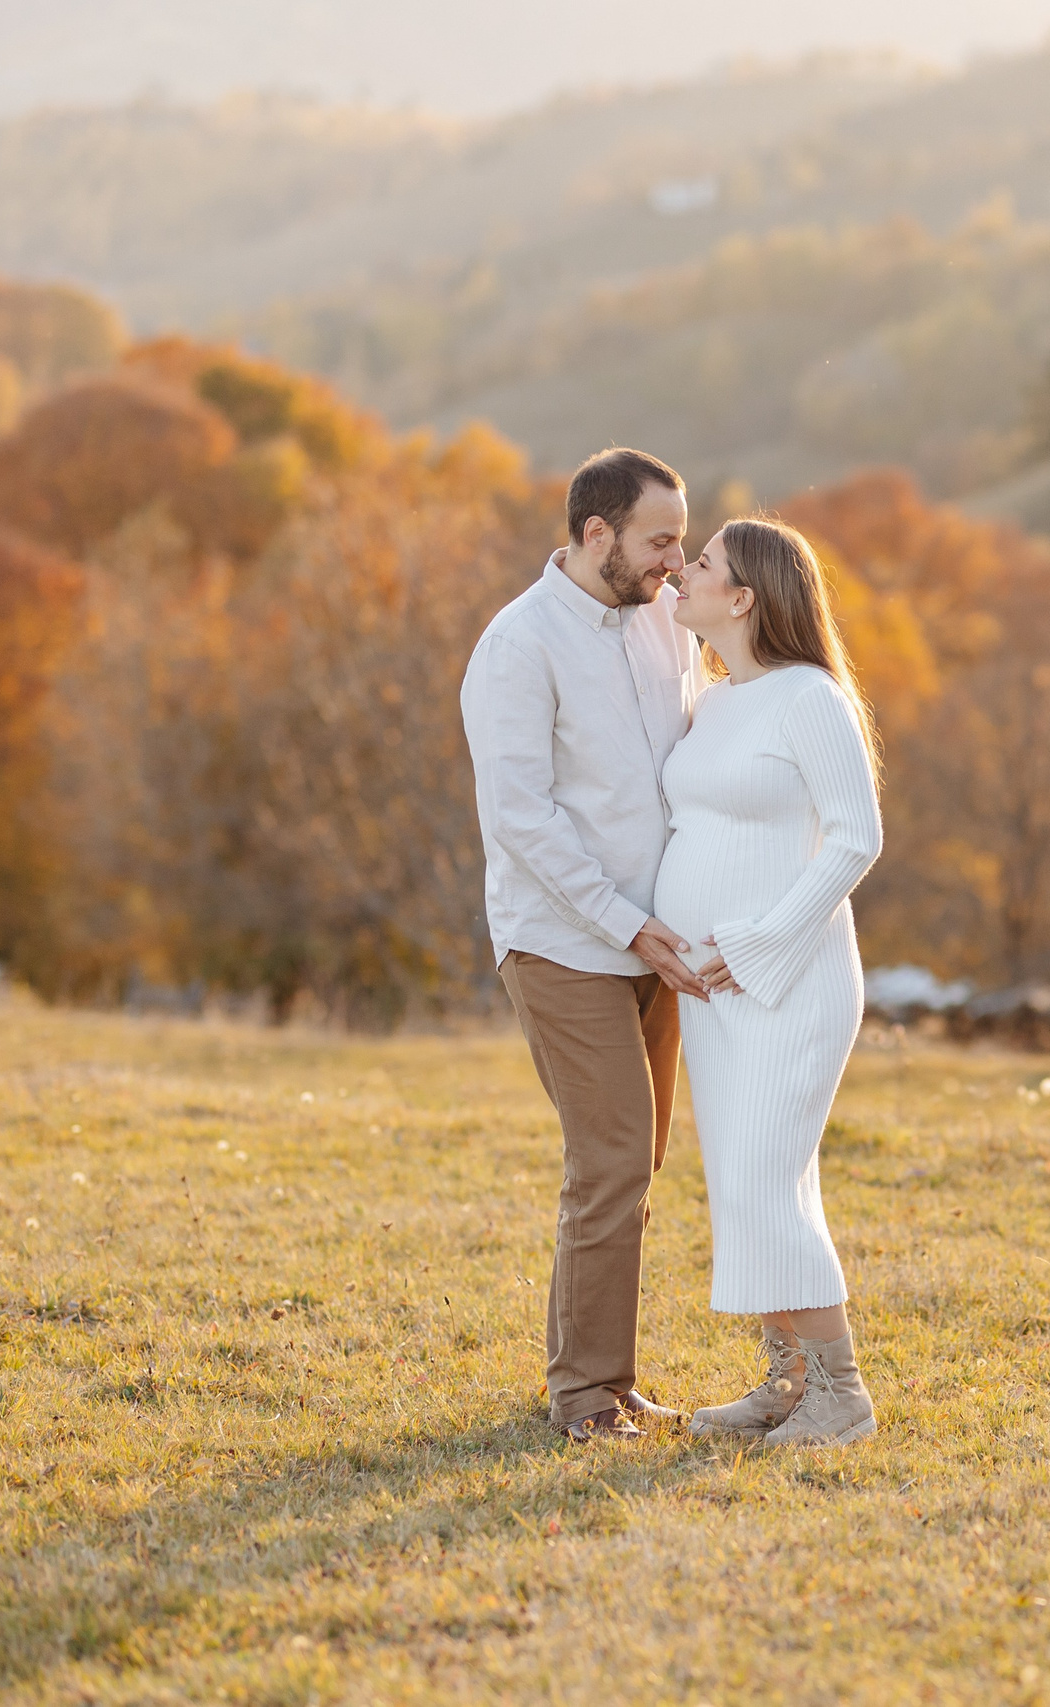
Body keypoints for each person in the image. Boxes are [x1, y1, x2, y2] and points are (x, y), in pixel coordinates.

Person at [460, 447, 708, 1444]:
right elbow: (521, 816)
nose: (675, 561)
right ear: (595, 533)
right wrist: (625, 923)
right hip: (565, 939)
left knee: (639, 1159)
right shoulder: (517, 646)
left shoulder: (664, 621)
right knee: (610, 1157)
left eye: (681, 541)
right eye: (660, 540)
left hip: (661, 941)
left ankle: (609, 1378)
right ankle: (585, 1395)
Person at [649, 517, 885, 1449]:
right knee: (743, 1183)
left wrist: (756, 943)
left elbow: (856, 838)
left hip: (790, 983)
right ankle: (788, 1382)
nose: (684, 570)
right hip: (715, 990)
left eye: (702, 563)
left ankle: (841, 1396)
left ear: (742, 598)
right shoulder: (714, 700)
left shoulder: (810, 698)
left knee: (767, 1181)